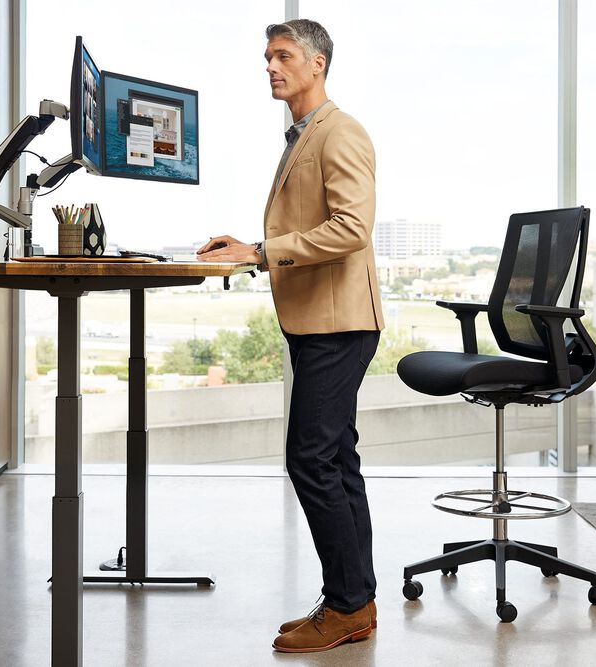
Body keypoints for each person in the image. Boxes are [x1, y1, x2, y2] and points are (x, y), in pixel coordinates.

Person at [196, 18, 385, 654]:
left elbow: (351, 228)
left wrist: (260, 250)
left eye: (283, 57)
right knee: (336, 459)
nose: (271, 67)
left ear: (318, 64)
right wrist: (251, 252)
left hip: (339, 324)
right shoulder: (303, 134)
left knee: (310, 459)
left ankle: (347, 606)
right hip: (321, 322)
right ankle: (356, 598)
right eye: (267, 57)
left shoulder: (340, 131)